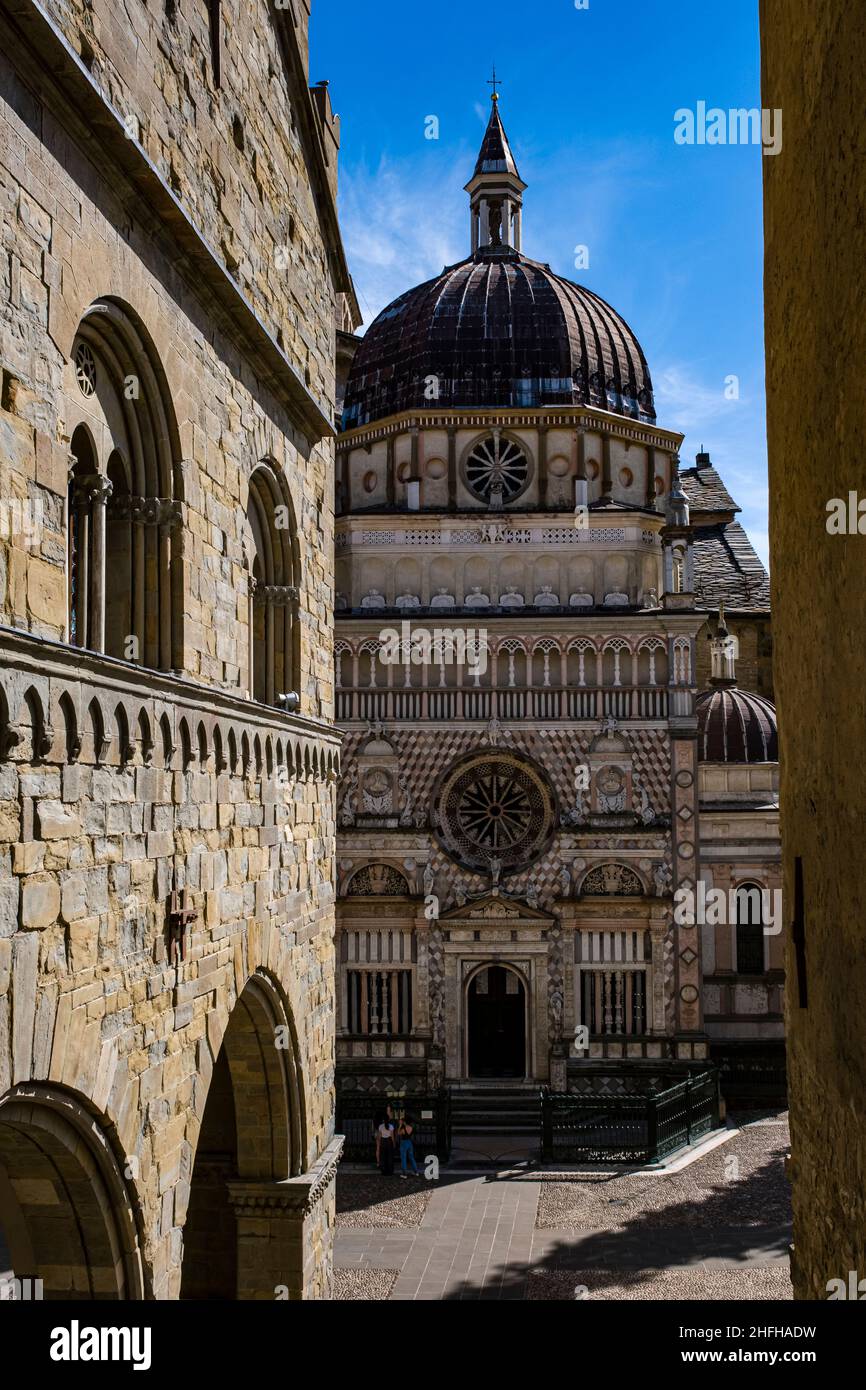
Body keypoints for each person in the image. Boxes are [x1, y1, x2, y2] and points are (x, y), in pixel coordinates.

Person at [376, 1109, 396, 1175]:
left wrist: (379, 1143)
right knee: (390, 1157)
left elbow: (379, 1136)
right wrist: (394, 1143)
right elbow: (392, 1136)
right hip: (389, 1141)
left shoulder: (380, 1126)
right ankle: (390, 1171)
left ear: (383, 1120)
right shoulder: (391, 1126)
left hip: (383, 1141)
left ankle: (384, 1171)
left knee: (383, 1156)